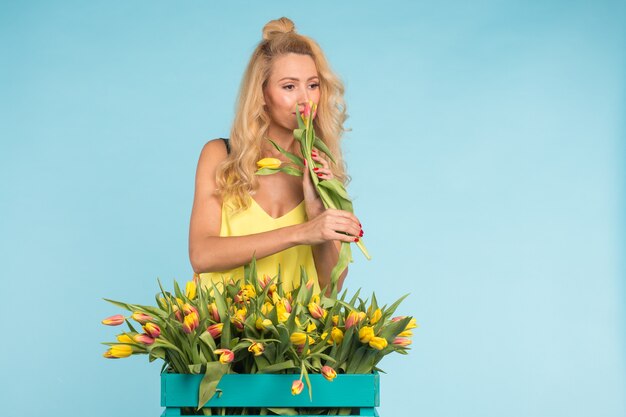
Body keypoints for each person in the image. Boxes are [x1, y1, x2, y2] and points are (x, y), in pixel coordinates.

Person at [188, 17, 362, 294]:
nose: (306, 100)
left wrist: (317, 211)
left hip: (299, 335)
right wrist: (302, 232)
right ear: (262, 93)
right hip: (224, 332)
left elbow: (330, 289)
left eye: (313, 85)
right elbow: (202, 255)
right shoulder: (221, 155)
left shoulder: (321, 166)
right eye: (289, 86)